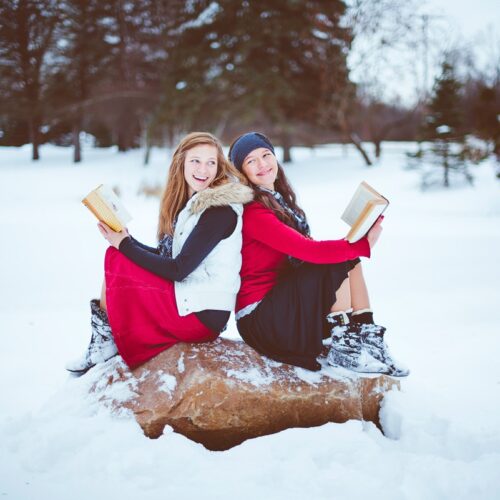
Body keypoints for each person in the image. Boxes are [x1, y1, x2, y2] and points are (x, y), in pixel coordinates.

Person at [66, 132, 253, 375]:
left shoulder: (219, 210)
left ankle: (105, 341)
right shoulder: (196, 205)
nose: (203, 169)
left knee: (117, 257)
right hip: (193, 300)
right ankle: (105, 339)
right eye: (195, 161)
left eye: (211, 162)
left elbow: (179, 269)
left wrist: (125, 245)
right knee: (119, 255)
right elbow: (172, 260)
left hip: (202, 314)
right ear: (181, 163)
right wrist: (126, 240)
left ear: (218, 168)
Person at [228, 132, 408, 376]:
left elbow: (308, 250)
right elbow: (307, 251)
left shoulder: (279, 202)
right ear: (242, 172)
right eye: (251, 161)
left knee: (345, 258)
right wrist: (360, 245)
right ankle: (343, 345)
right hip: (261, 317)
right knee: (334, 260)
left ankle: (368, 337)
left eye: (266, 155)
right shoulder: (253, 211)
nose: (262, 164)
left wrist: (357, 240)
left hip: (282, 303)